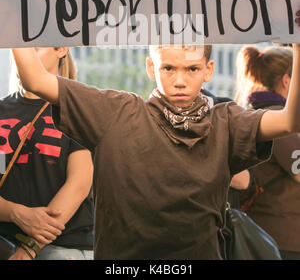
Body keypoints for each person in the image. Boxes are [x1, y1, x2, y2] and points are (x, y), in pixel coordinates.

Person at [11, 20, 300, 260]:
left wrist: (297, 42)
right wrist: (10, 15)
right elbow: (35, 80)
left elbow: (290, 120)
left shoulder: (226, 121)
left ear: (208, 70)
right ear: (152, 68)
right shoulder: (116, 111)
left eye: (192, 69)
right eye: (168, 68)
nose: (179, 80)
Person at [0, 48, 94, 260]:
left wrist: (30, 248)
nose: (27, 54)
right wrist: (17, 213)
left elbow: (78, 184)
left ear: (61, 49)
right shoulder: (2, 111)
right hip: (5, 244)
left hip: (63, 245)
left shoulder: (77, 109)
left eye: (35, 46)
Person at [235, 44, 300, 260]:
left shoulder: (250, 115)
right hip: (285, 240)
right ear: (287, 81)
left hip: (262, 233)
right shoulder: (279, 123)